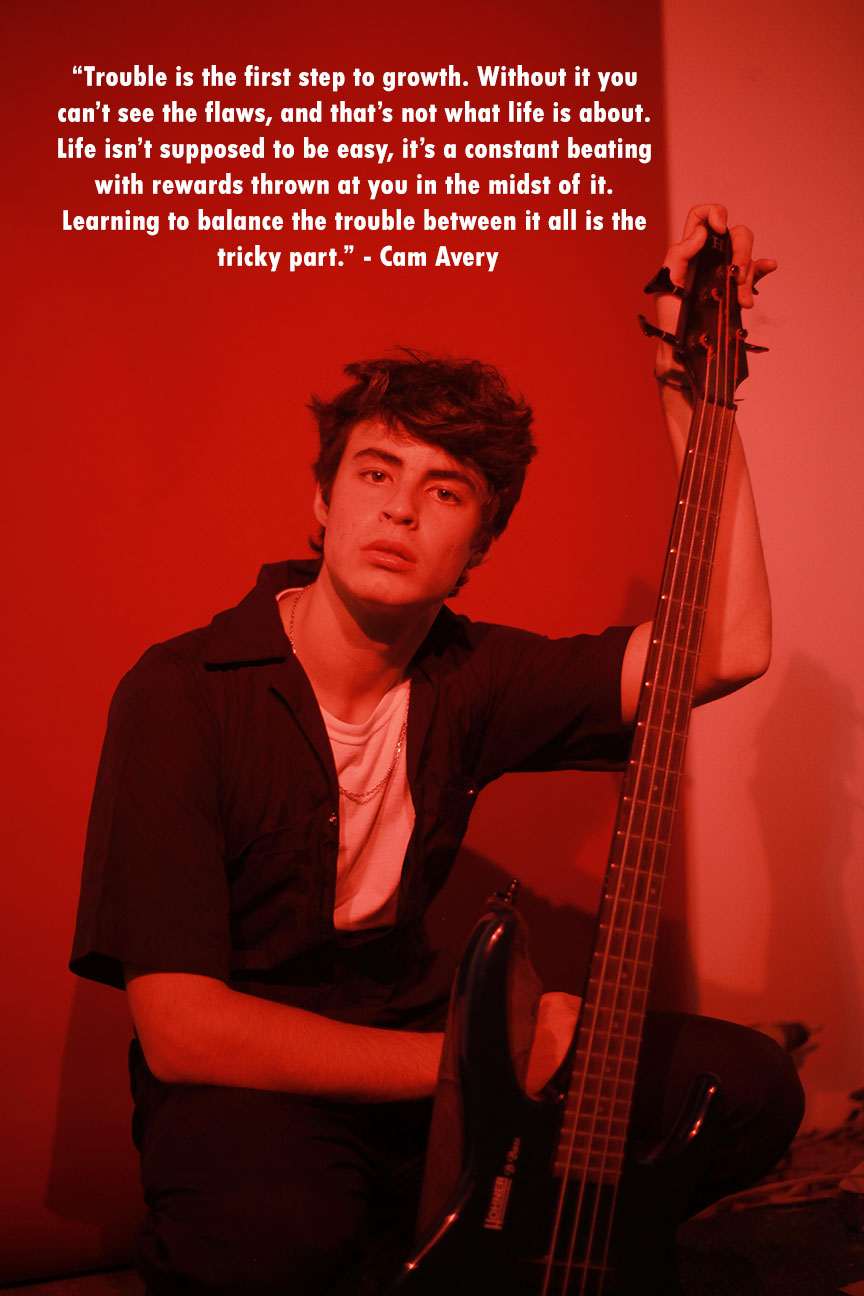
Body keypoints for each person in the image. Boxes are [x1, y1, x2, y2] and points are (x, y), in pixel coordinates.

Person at [71, 204, 804, 1295]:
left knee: (747, 1086)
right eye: (375, 474)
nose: (401, 511)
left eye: (445, 492)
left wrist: (692, 396)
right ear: (321, 503)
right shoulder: (181, 693)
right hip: (255, 1085)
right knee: (268, 1250)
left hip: (425, 1041)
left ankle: (444, 1228)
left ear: (479, 545)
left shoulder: (472, 673)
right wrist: (481, 1065)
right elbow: (181, 1030)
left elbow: (726, 648)